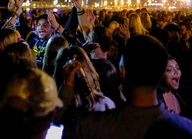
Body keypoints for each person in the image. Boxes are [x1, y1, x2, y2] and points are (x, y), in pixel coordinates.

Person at [61, 35, 192, 139]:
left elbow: (58, 124)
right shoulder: (186, 128)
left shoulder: (88, 127)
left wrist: (67, 87)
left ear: (123, 71)